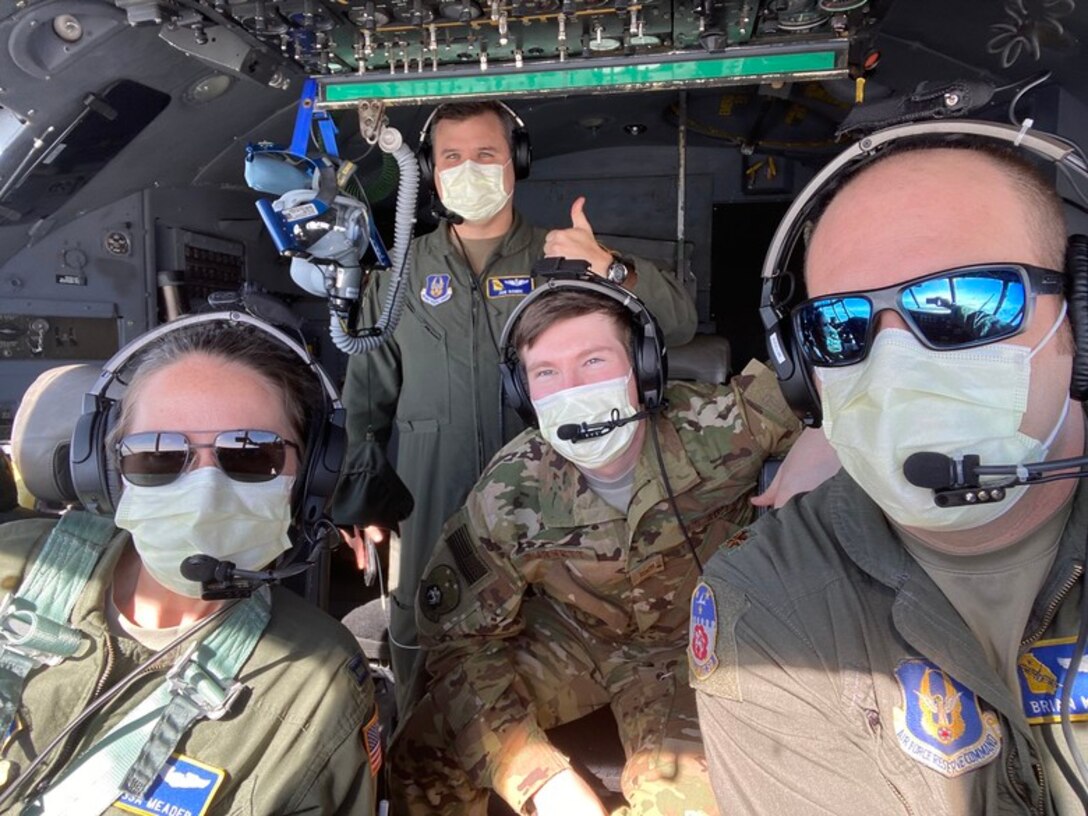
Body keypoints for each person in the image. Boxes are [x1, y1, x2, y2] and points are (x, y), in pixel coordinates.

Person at [693, 126, 1088, 813]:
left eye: (962, 302)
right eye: (840, 326)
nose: (893, 363)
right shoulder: (768, 599)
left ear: (1080, 318)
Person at [387, 276, 799, 815]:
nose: (572, 390)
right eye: (546, 373)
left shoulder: (721, 425)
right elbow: (462, 645)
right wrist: (539, 777)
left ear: (644, 370)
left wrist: (820, 439)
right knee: (425, 743)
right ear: (523, 393)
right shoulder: (510, 492)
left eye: (594, 362)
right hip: (576, 638)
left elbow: (838, 383)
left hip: (694, 646)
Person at [331, 100, 698, 699]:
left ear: (515, 162)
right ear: (429, 169)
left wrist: (609, 267)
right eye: (452, 157)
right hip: (431, 492)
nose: (468, 169)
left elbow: (678, 322)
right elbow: (368, 388)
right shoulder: (399, 269)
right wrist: (359, 492)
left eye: (486, 154)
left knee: (553, 644)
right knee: (427, 635)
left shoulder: (560, 259)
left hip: (549, 492)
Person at [0, 314, 377, 814]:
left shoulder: (313, 686)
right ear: (108, 474)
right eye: (157, 454)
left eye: (249, 453)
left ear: (310, 482)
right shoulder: (12, 567)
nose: (205, 489)